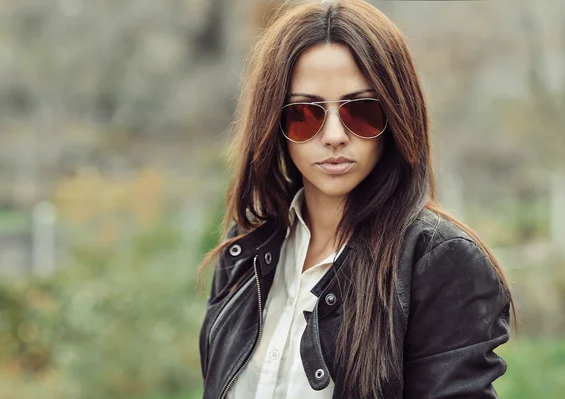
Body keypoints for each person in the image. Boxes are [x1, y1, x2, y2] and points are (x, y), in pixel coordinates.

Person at [197, 1, 515, 398]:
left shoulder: (439, 261)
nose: (333, 135)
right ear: (272, 122)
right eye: (304, 114)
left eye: (360, 111)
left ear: (397, 115)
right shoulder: (246, 248)